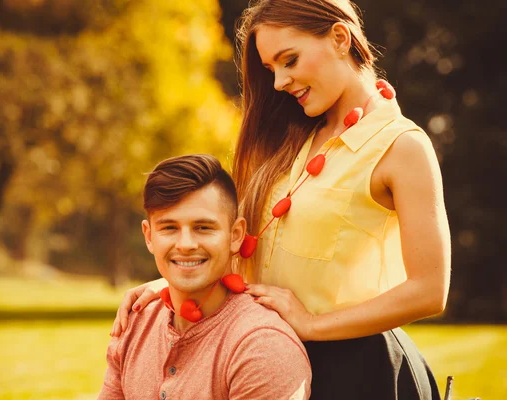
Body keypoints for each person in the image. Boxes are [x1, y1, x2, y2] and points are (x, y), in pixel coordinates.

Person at [111, 0, 451, 398]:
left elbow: (430, 290)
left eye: (289, 60)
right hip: (264, 356)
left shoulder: (402, 147)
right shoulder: (288, 136)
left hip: (358, 374)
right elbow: (245, 241)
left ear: (340, 38)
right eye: (272, 69)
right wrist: (173, 280)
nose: (279, 83)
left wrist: (310, 325)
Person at [97, 154, 312, 400]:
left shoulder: (263, 346)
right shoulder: (136, 323)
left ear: (235, 235)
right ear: (149, 236)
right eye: (169, 228)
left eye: (203, 227)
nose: (186, 244)